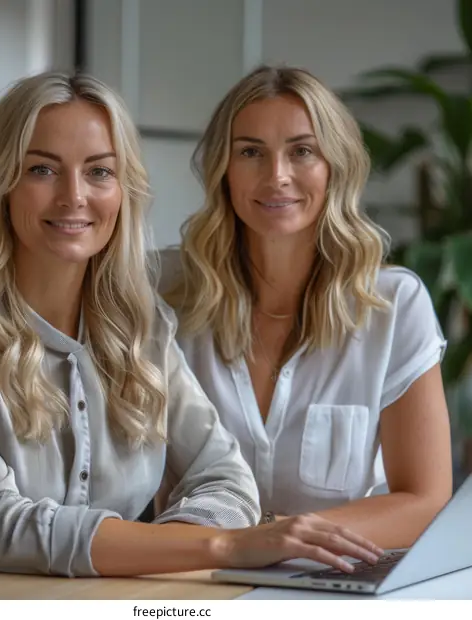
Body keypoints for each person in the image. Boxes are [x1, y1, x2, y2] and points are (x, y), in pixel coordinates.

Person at [0, 71, 382, 586]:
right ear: (1, 184)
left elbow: (226, 476)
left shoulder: (142, 327)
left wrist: (165, 555)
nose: (73, 196)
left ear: (123, 189)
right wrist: (219, 545)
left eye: (99, 172)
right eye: (41, 169)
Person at [161, 65, 453, 550]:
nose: (277, 176)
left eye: (302, 151)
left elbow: (423, 499)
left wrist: (278, 540)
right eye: (251, 152)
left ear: (333, 166)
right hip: (191, 578)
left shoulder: (393, 305)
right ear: (223, 171)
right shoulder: (167, 295)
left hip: (331, 580)